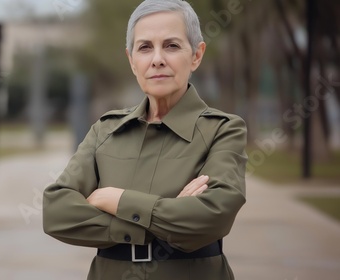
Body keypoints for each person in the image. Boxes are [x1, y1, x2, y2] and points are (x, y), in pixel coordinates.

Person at [43, 0, 247, 279]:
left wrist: (116, 200)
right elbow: (56, 212)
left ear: (196, 55)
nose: (157, 59)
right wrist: (166, 218)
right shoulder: (105, 131)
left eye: (172, 46)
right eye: (145, 47)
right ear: (131, 60)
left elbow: (212, 216)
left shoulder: (224, 130)